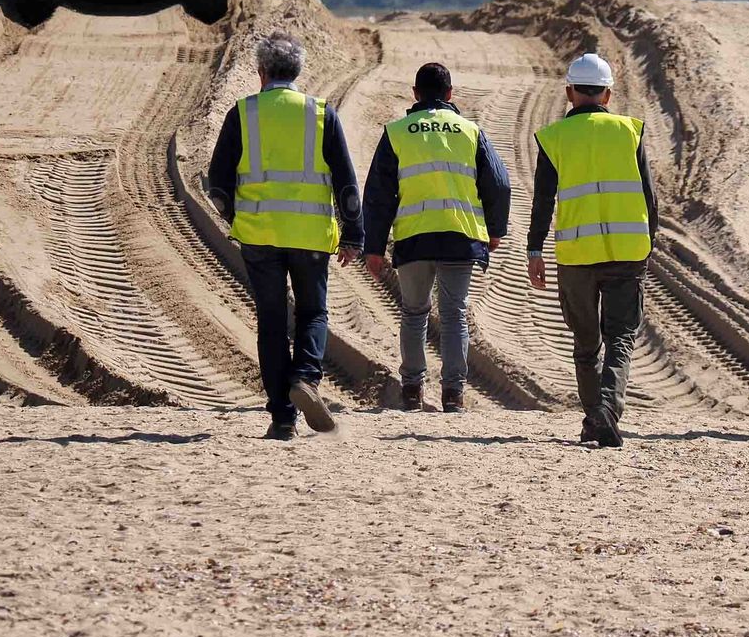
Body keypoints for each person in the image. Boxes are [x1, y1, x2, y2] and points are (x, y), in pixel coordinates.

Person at [206, 32, 363, 440]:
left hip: (260, 237)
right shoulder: (321, 113)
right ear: (298, 71)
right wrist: (353, 235)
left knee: (272, 323)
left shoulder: (242, 114)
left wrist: (237, 219)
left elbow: (218, 186)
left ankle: (281, 419)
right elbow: (346, 182)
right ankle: (306, 380)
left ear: (260, 72)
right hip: (311, 236)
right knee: (312, 313)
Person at [361, 62, 512, 412]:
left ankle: (412, 390)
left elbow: (379, 194)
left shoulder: (397, 132)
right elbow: (499, 184)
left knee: (414, 313)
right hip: (460, 236)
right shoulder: (470, 131)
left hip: (414, 237)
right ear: (450, 94)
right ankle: (453, 395)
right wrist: (495, 230)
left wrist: (373, 247)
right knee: (454, 314)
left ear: (415, 94)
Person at [527, 52, 658, 448]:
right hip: (626, 251)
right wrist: (648, 243)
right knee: (620, 337)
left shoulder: (554, 138)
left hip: (577, 256)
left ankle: (596, 415)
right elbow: (650, 198)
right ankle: (605, 412)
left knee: (586, 343)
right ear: (608, 94)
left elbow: (542, 201)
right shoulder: (629, 131)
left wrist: (535, 250)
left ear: (569, 92)